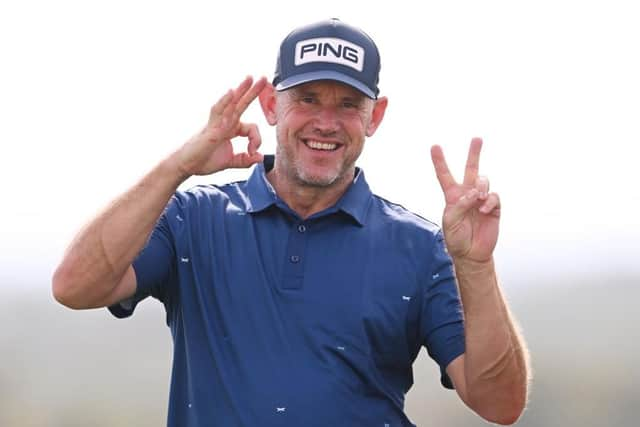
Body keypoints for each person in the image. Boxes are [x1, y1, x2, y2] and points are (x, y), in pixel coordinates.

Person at [52, 18, 529, 427]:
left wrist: (475, 265)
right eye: (307, 98)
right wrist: (178, 166)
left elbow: (499, 403)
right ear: (270, 105)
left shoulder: (422, 247)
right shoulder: (193, 220)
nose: (326, 121)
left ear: (375, 116)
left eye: (348, 105)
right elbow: (75, 286)